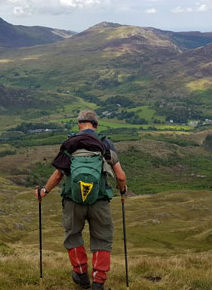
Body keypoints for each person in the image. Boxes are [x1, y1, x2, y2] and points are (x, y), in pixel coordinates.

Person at [36, 110, 127, 290]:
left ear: (79, 124)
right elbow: (121, 176)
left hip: (73, 200)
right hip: (99, 201)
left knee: (73, 235)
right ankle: (99, 281)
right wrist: (123, 191)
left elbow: (57, 176)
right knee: (102, 238)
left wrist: (44, 191)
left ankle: (80, 274)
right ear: (96, 125)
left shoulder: (70, 144)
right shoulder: (105, 144)